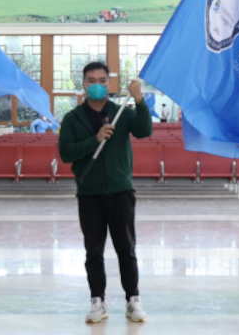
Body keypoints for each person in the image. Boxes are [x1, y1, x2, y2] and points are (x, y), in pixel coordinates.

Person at [57, 62, 153, 324]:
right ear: (84, 84)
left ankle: (133, 300)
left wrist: (140, 100)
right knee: (94, 251)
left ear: (109, 85)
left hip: (121, 191)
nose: (96, 84)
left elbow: (145, 131)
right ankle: (97, 301)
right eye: (91, 80)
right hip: (90, 193)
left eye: (101, 80)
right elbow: (66, 153)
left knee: (126, 249)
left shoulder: (122, 112)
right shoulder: (72, 118)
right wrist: (95, 139)